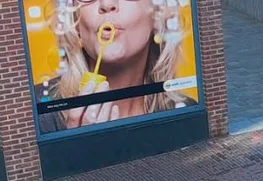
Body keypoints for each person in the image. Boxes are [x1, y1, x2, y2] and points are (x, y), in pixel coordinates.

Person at [37, 0, 196, 132]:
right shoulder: (35, 116)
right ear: (75, 21)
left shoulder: (188, 115)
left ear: (158, 13)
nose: (107, 4)